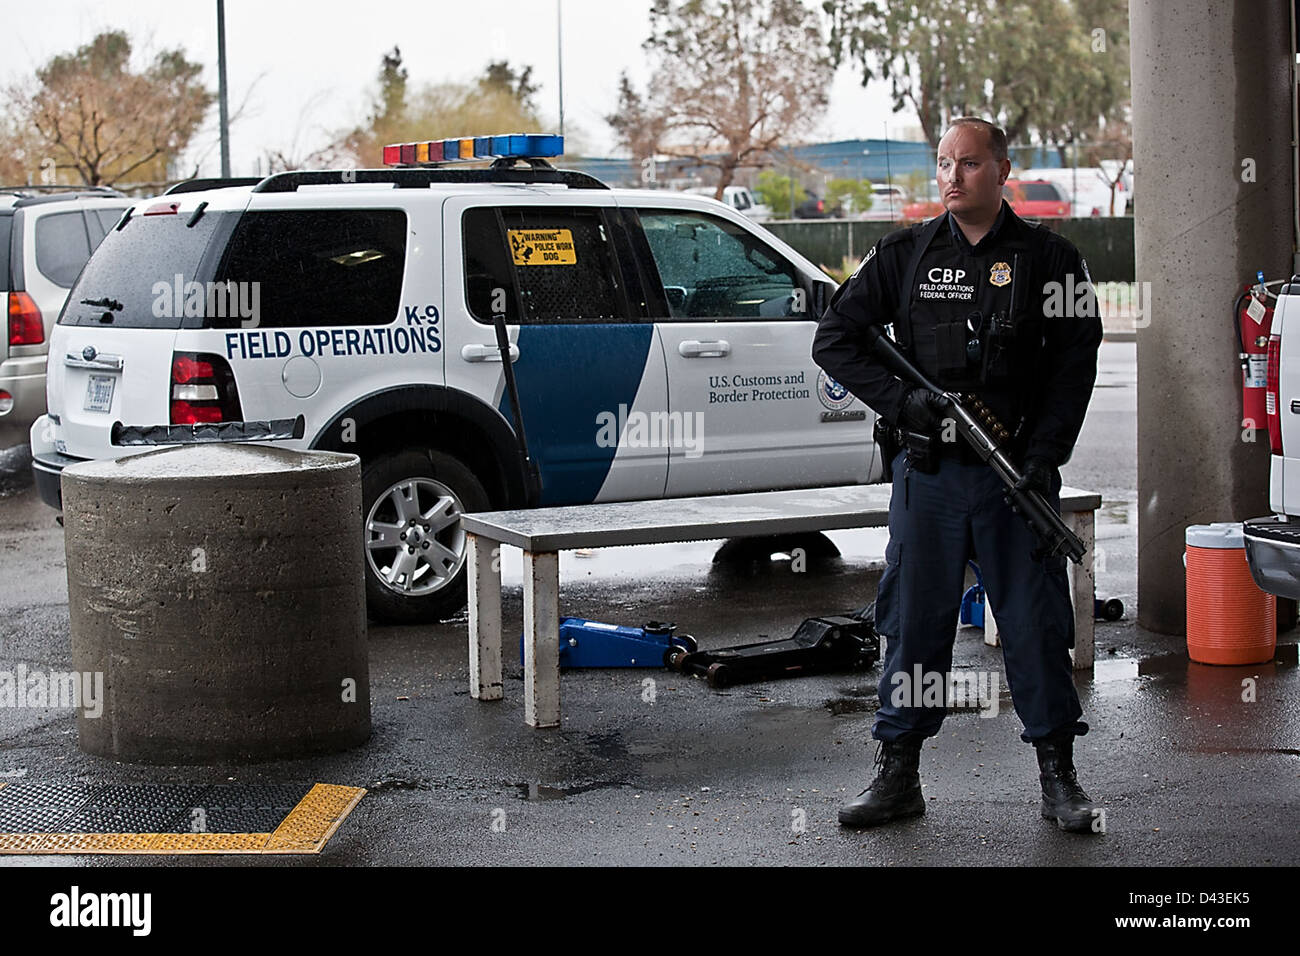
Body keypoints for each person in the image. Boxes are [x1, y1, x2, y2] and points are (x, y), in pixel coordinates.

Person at [811, 117, 1104, 834]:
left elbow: (1075, 363)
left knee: (1034, 625)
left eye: (968, 164)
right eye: (943, 163)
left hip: (1015, 482)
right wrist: (900, 400)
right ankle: (898, 776)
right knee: (914, 628)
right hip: (930, 477)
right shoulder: (905, 254)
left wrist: (1045, 456)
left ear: (1003, 169)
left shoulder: (1049, 259)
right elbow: (836, 339)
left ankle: (1059, 777)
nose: (951, 177)